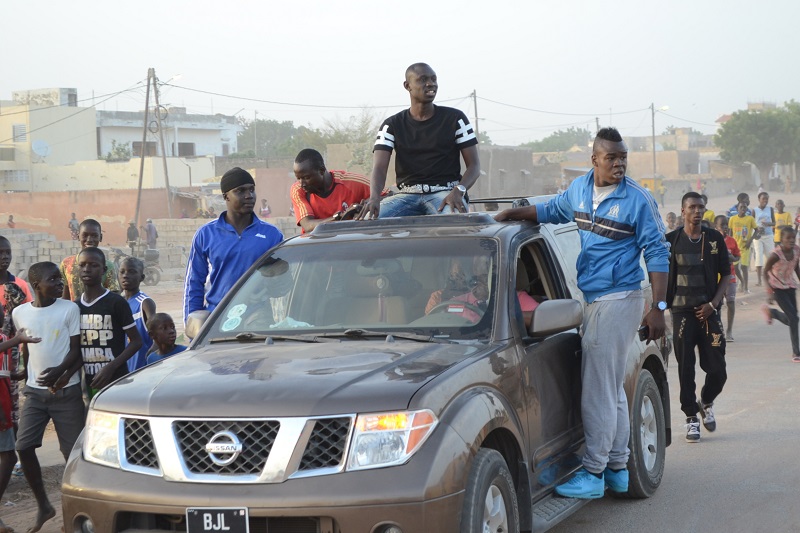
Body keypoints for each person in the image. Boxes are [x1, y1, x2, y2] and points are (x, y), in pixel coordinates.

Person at [495, 127, 670, 498]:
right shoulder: (579, 190)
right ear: (594, 160)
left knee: (597, 392)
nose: (620, 163)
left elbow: (657, 253)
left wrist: (658, 307)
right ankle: (618, 468)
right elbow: (551, 210)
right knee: (613, 390)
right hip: (593, 299)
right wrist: (513, 213)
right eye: (612, 157)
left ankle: (592, 474)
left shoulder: (638, 199)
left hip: (618, 300)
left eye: (623, 157)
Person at [11, 261, 84, 533]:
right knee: (23, 446)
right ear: (36, 284)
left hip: (66, 393)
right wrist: (24, 371)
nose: (60, 283)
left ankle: (76, 510)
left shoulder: (69, 309)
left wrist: (61, 372)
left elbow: (76, 351)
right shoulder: (20, 313)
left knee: (73, 454)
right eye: (53, 279)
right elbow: (29, 346)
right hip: (35, 393)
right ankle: (44, 505)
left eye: (60, 278)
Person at [358, 63, 480, 219]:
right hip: (406, 196)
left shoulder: (456, 119)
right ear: (407, 86)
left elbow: (474, 166)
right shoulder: (391, 125)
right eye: (423, 79)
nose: (430, 84)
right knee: (369, 220)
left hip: (445, 193)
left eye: (433, 79)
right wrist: (374, 197)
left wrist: (458, 191)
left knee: (451, 224)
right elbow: (379, 168)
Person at [666, 193, 730, 442]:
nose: (697, 211)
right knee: (686, 369)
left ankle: (706, 400)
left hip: (709, 313)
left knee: (718, 369)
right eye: (692, 207)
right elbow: (659, 273)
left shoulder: (714, 238)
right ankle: (691, 417)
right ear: (683, 211)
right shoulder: (671, 241)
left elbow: (726, 274)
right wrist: (660, 306)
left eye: (701, 207)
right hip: (682, 313)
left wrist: (713, 305)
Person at [184, 167, 283, 322]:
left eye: (251, 190)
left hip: (258, 320)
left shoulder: (272, 235)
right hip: (216, 320)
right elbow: (194, 284)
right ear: (226, 196)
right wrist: (193, 326)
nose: (249, 196)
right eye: (240, 191)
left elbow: (281, 284)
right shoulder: (206, 235)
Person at [76, 247, 142, 398]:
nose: (87, 269)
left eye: (94, 265)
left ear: (104, 270)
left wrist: (111, 367)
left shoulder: (116, 302)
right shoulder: (76, 306)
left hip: (116, 378)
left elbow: (136, 341)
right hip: (89, 380)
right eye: (83, 265)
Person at [0, 324, 40, 533]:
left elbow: (4, 374)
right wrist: (18, 340)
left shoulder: (3, 339)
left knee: (9, 456)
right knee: (9, 457)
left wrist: (23, 374)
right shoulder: (7, 340)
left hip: (5, 405)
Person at [291, 148, 371, 233]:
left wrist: (365, 207)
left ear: (321, 171)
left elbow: (385, 197)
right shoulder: (298, 190)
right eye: (298, 178)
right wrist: (339, 217)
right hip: (317, 244)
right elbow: (308, 225)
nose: (302, 184)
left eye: (306, 178)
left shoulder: (352, 182)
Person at [762, 226, 800, 363]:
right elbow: (765, 272)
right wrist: (769, 291)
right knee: (794, 319)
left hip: (790, 285)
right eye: (788, 238)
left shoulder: (796, 250)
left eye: (793, 238)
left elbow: (796, 266)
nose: (791, 241)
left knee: (794, 319)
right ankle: (796, 352)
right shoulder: (775, 255)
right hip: (777, 287)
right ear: (781, 239)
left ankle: (772, 313)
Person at [60, 218, 120, 302]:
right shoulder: (66, 264)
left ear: (101, 237)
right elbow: (66, 296)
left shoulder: (107, 266)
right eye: (85, 235)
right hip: (74, 313)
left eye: (94, 236)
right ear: (78, 236)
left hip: (98, 313)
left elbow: (115, 295)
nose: (89, 240)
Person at [119, 257, 155, 372]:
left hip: (141, 370)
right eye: (122, 272)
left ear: (142, 277)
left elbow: (157, 335)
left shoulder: (144, 303)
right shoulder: (118, 303)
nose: (125, 275)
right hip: (122, 371)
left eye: (132, 272)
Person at [715, 215, 740, 342]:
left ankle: (729, 330)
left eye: (726, 224)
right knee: (717, 305)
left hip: (730, 277)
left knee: (730, 303)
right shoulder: (713, 241)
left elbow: (737, 256)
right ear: (716, 227)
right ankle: (719, 330)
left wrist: (732, 259)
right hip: (716, 278)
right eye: (721, 225)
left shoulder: (732, 241)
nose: (724, 227)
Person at [729, 202, 758, 293]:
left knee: (744, 267)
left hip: (745, 246)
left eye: (745, 207)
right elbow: (730, 232)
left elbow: (757, 230)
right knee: (736, 267)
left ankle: (745, 287)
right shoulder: (732, 219)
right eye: (741, 207)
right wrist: (730, 245)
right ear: (737, 208)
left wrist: (750, 240)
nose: (743, 209)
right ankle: (741, 281)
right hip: (735, 247)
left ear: (746, 209)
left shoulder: (750, 219)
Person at [751, 191, 776, 287]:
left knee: (770, 257)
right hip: (758, 236)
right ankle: (759, 280)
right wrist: (757, 228)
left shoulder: (770, 209)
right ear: (759, 199)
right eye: (763, 199)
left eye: (767, 199)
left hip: (768, 235)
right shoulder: (755, 210)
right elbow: (751, 224)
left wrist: (768, 224)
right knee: (758, 257)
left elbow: (774, 223)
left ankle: (770, 277)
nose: (765, 200)